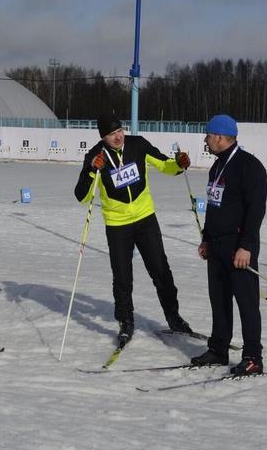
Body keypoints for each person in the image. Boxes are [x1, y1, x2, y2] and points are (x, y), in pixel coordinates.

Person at [73, 112, 193, 348]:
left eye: (119, 131)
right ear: (103, 137)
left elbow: (164, 164)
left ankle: (174, 317)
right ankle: (126, 322)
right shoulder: (96, 155)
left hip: (145, 218)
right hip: (117, 225)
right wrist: (91, 170)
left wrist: (178, 164)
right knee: (122, 277)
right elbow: (81, 195)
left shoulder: (138, 144)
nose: (117, 137)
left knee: (160, 270)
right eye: (111, 134)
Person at [191, 114, 267, 376]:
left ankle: (253, 357)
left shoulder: (249, 166)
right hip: (217, 246)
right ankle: (218, 349)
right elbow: (214, 206)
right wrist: (206, 238)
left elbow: (256, 210)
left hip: (239, 247)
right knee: (219, 300)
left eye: (209, 135)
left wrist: (246, 246)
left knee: (246, 303)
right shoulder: (217, 167)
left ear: (221, 137)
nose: (206, 140)